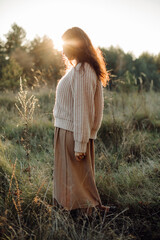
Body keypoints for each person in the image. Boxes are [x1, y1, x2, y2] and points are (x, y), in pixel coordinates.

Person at [53, 27, 110, 216]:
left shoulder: (83, 70)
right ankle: (77, 216)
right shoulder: (80, 68)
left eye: (66, 45)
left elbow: (83, 109)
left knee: (78, 182)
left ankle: (90, 218)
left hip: (73, 133)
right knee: (72, 180)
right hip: (69, 131)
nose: (63, 50)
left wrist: (80, 144)